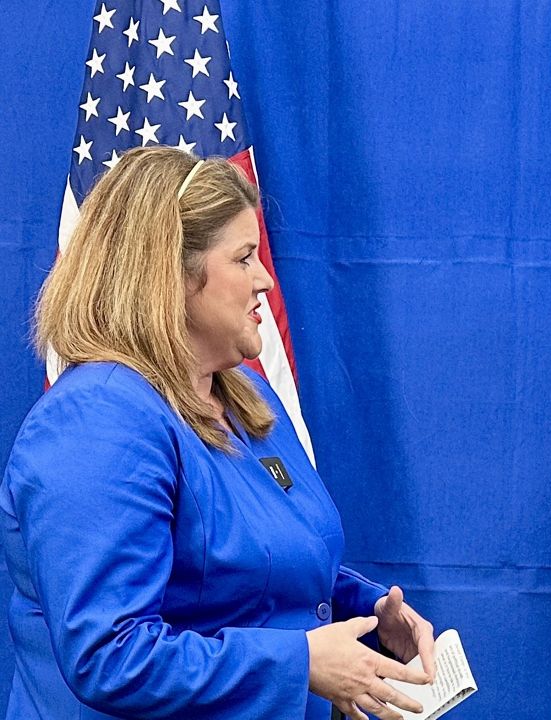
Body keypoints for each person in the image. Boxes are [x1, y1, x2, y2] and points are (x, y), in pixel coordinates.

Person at [1, 146, 437, 720]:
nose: (263, 280)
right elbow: (108, 655)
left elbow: (247, 573)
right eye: (244, 258)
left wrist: (366, 613)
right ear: (170, 275)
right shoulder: (96, 423)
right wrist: (299, 662)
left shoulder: (247, 397)